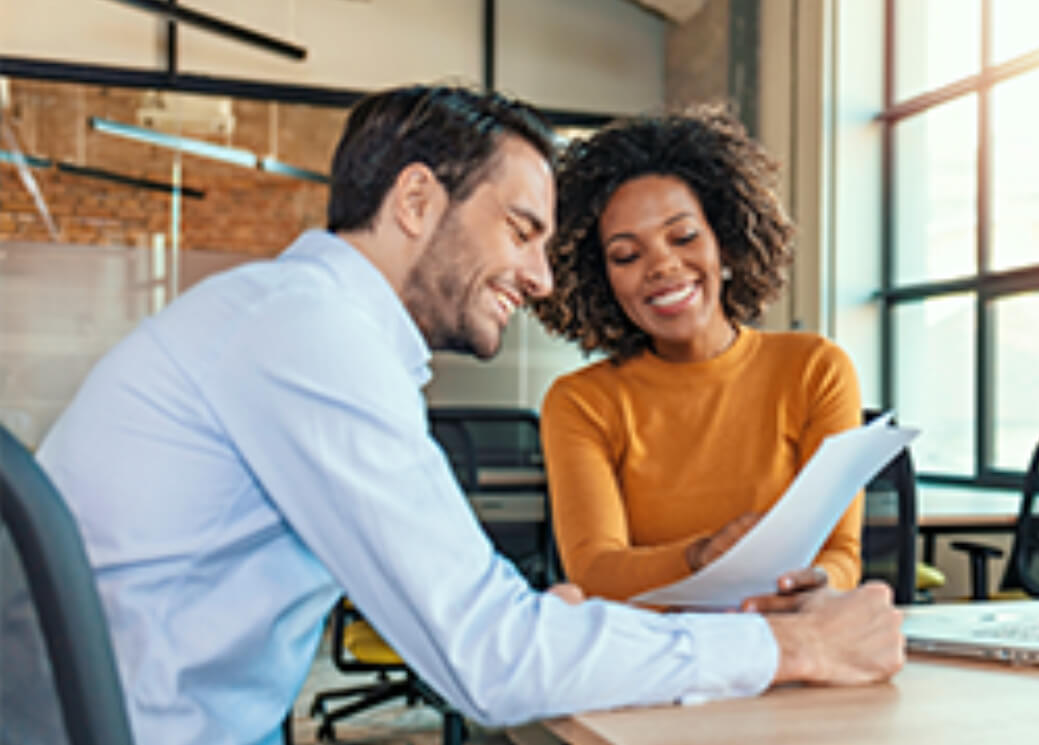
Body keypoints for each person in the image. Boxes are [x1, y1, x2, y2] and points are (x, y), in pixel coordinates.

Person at [33, 86, 903, 745]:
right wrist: (793, 652)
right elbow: (488, 657)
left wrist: (548, 627)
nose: (544, 277)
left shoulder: (298, 323)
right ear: (416, 203)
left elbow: (476, 621)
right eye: (522, 230)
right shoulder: (306, 334)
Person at [532, 107, 863, 610]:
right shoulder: (580, 401)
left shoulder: (815, 368)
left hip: (786, 640)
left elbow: (841, 554)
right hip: (652, 657)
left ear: (725, 244)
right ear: (602, 280)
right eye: (626, 255)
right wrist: (701, 556)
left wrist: (817, 586)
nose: (662, 265)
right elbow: (595, 570)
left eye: (683, 237)